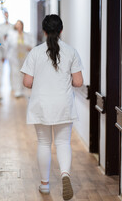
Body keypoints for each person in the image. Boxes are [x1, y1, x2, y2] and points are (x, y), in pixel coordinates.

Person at [20, 14, 83, 200]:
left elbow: (27, 82)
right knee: (63, 142)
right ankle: (65, 175)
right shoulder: (71, 51)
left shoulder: (35, 52)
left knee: (44, 143)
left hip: (41, 105)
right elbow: (79, 82)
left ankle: (45, 185)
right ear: (61, 31)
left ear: (44, 31)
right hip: (63, 104)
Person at [7, 20, 35, 97]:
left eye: (20, 24)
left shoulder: (27, 35)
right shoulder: (11, 34)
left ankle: (22, 90)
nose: (19, 26)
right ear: (15, 26)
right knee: (15, 73)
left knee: (23, 73)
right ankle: (17, 90)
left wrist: (27, 46)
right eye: (17, 25)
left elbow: (31, 45)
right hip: (14, 57)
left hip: (24, 57)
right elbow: (8, 45)